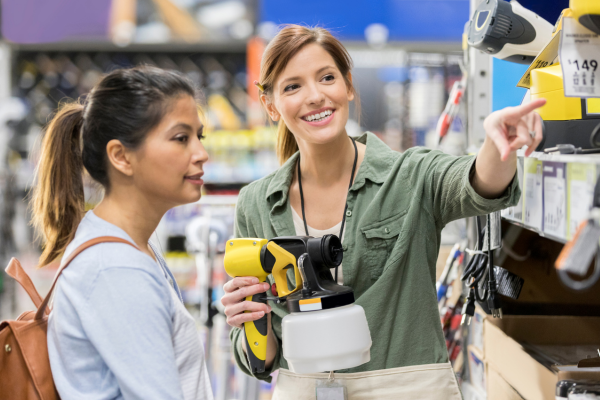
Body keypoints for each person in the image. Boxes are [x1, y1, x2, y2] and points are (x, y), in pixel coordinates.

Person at [220, 25, 545, 399]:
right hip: (305, 389)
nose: (314, 96)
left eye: (327, 78)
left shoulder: (410, 176)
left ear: (348, 86)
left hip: (407, 388)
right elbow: (262, 360)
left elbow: (476, 183)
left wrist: (496, 144)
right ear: (271, 105)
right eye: (292, 86)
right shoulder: (256, 203)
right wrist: (250, 317)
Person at [32, 66, 214, 400]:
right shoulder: (116, 268)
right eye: (181, 138)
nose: (201, 154)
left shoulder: (126, 248)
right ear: (121, 156)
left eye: (198, 137)